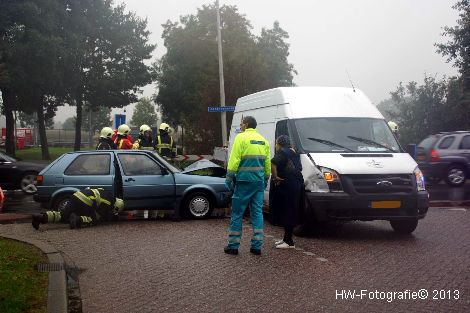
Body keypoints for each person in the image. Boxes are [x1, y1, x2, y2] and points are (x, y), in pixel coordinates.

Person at [224, 116, 271, 256]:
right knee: (257, 212)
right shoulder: (264, 141)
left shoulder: (241, 138)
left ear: (246, 124)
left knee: (237, 213)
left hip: (244, 182)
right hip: (258, 183)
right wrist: (266, 178)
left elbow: (234, 159)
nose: (240, 125)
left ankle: (233, 246)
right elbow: (267, 163)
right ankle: (256, 246)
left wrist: (229, 177)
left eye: (241, 123)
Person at [31, 188, 124, 230]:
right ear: (116, 205)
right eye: (115, 210)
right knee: (94, 220)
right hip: (85, 201)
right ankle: (77, 220)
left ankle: (41, 217)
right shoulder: (108, 201)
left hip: (76, 196)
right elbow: (98, 215)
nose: (113, 211)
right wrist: (105, 217)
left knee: (63, 215)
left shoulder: (105, 192)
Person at [270, 135, 304, 249]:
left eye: (276, 143)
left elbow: (273, 163)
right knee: (291, 210)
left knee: (287, 211)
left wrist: (275, 177)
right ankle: (286, 238)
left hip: (287, 185)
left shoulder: (281, 152)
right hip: (297, 184)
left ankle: (289, 242)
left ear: (279, 143)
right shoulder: (293, 152)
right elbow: (299, 168)